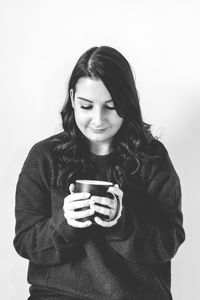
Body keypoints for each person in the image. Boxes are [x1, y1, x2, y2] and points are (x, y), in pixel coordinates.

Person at [13, 46, 185, 300]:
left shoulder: (151, 157)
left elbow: (170, 240)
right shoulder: (44, 157)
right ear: (72, 99)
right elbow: (25, 242)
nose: (98, 119)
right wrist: (64, 224)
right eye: (86, 106)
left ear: (127, 102)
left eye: (111, 106)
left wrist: (121, 223)